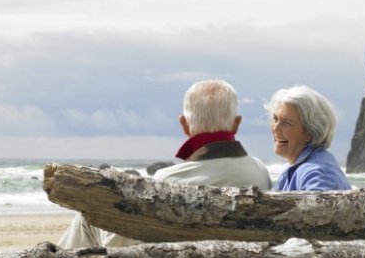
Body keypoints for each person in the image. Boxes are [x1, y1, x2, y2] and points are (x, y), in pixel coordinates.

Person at [57, 79, 272, 249]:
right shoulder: (260, 173)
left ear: (184, 125)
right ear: (236, 124)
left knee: (89, 213)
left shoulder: (167, 181)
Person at [265, 85, 351, 191]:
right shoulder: (295, 167)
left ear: (310, 133)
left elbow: (319, 204)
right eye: (275, 119)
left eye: (286, 123)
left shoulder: (315, 172)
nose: (275, 128)